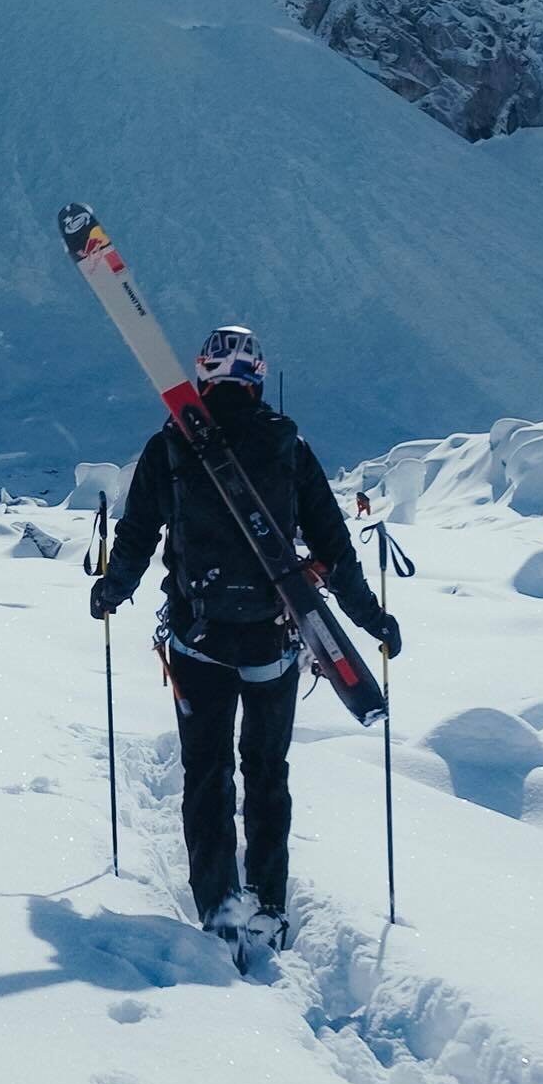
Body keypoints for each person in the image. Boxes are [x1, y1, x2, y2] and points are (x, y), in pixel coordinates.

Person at [88, 324, 400, 951]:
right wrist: (371, 619)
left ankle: (220, 915)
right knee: (265, 773)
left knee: (206, 775)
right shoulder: (288, 447)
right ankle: (271, 907)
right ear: (258, 378)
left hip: (196, 642)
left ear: (202, 377)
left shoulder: (171, 445)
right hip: (272, 646)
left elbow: (138, 535)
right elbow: (335, 549)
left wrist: (113, 590)